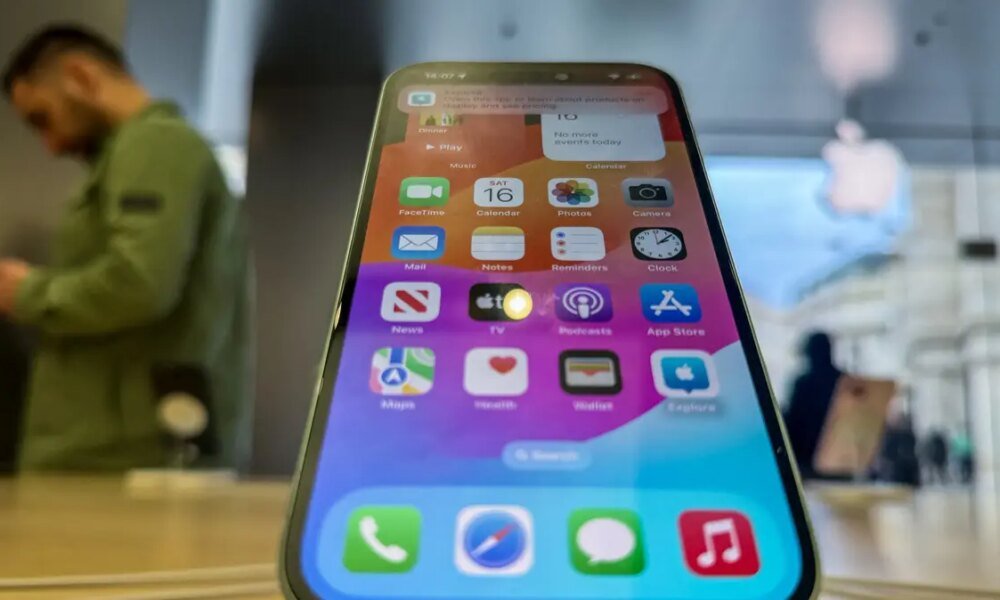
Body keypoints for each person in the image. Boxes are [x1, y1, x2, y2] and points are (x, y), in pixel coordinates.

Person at [0, 26, 253, 471]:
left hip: (118, 458)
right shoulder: (144, 150)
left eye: (42, 118)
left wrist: (25, 292)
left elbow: (139, 283)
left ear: (80, 76)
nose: (51, 145)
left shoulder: (155, 144)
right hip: (119, 451)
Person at [783, 332, 842, 480]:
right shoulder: (844, 381)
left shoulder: (803, 384)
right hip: (837, 460)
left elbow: (792, 421)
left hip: (807, 460)